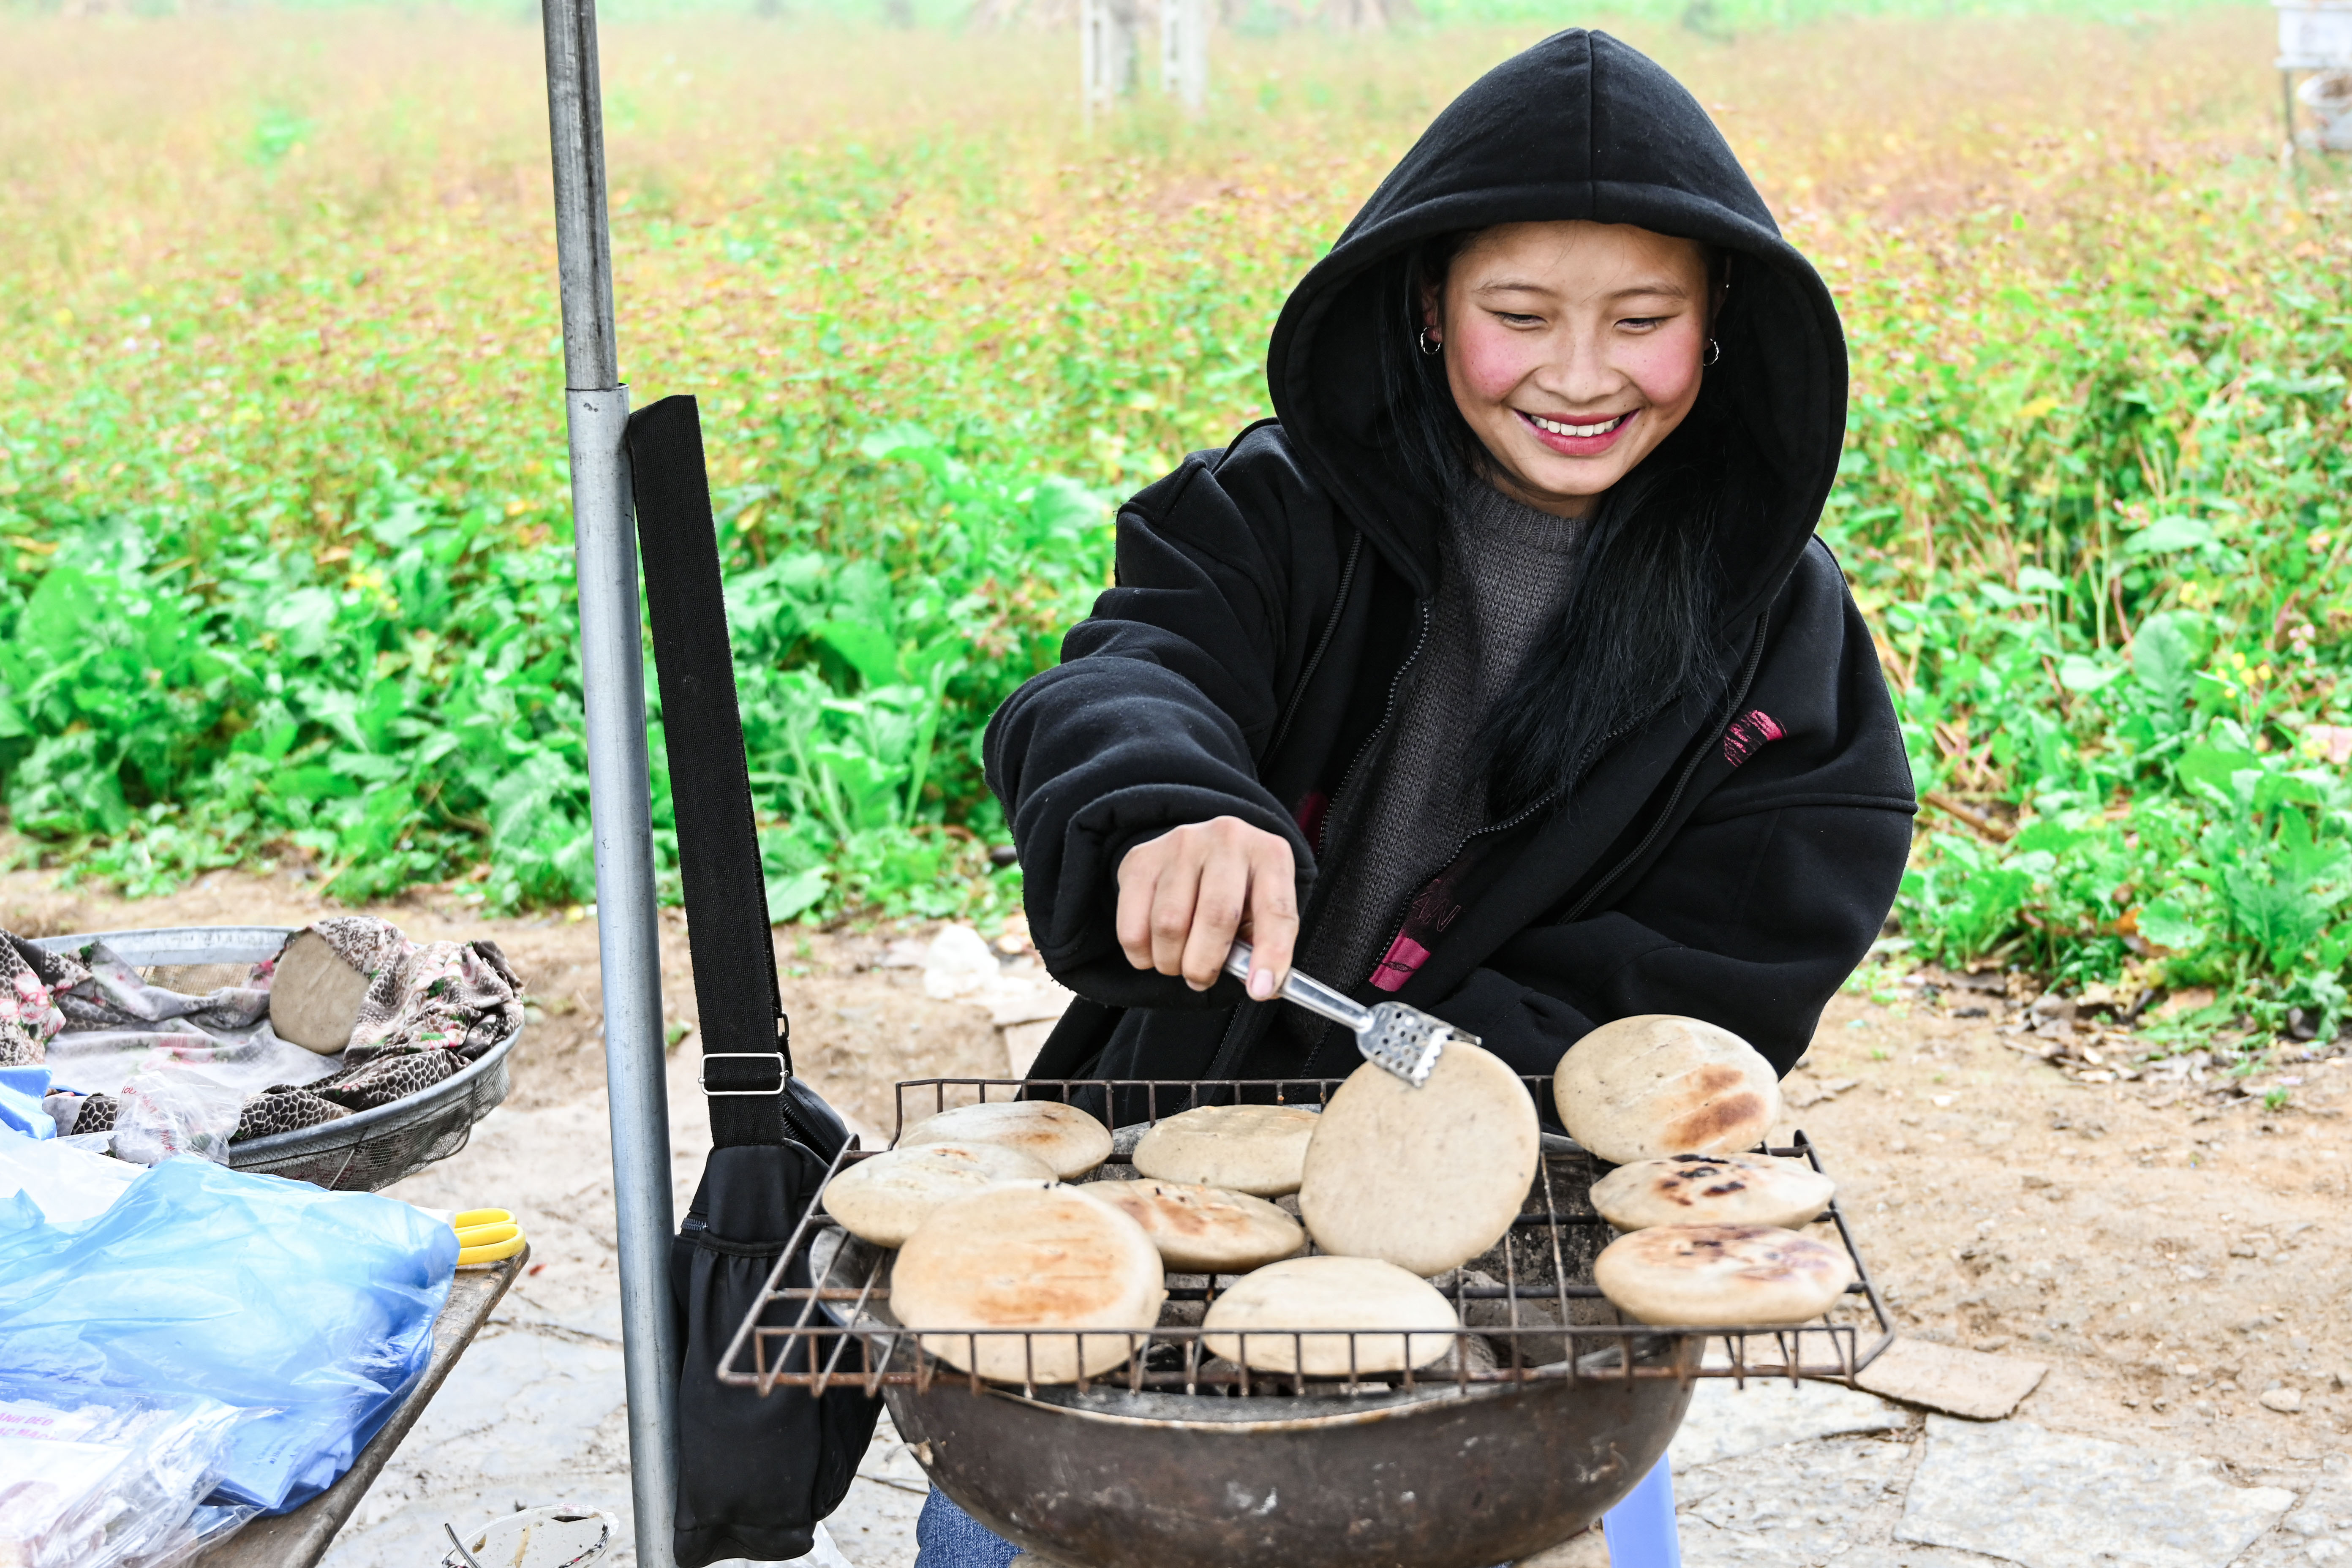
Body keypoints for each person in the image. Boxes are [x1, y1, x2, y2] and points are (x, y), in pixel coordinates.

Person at [912, 27, 1914, 1566]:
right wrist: (1174, 801)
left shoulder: (1776, 624)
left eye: (1642, 319)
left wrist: (1445, 1097)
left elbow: (1757, 930)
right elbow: (1119, 675)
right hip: (1163, 1152)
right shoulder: (1272, 509)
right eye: (1519, 315)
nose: (1580, 376)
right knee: (1026, 1531)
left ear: (1719, 330)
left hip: (1517, 1236)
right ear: (1433, 313)